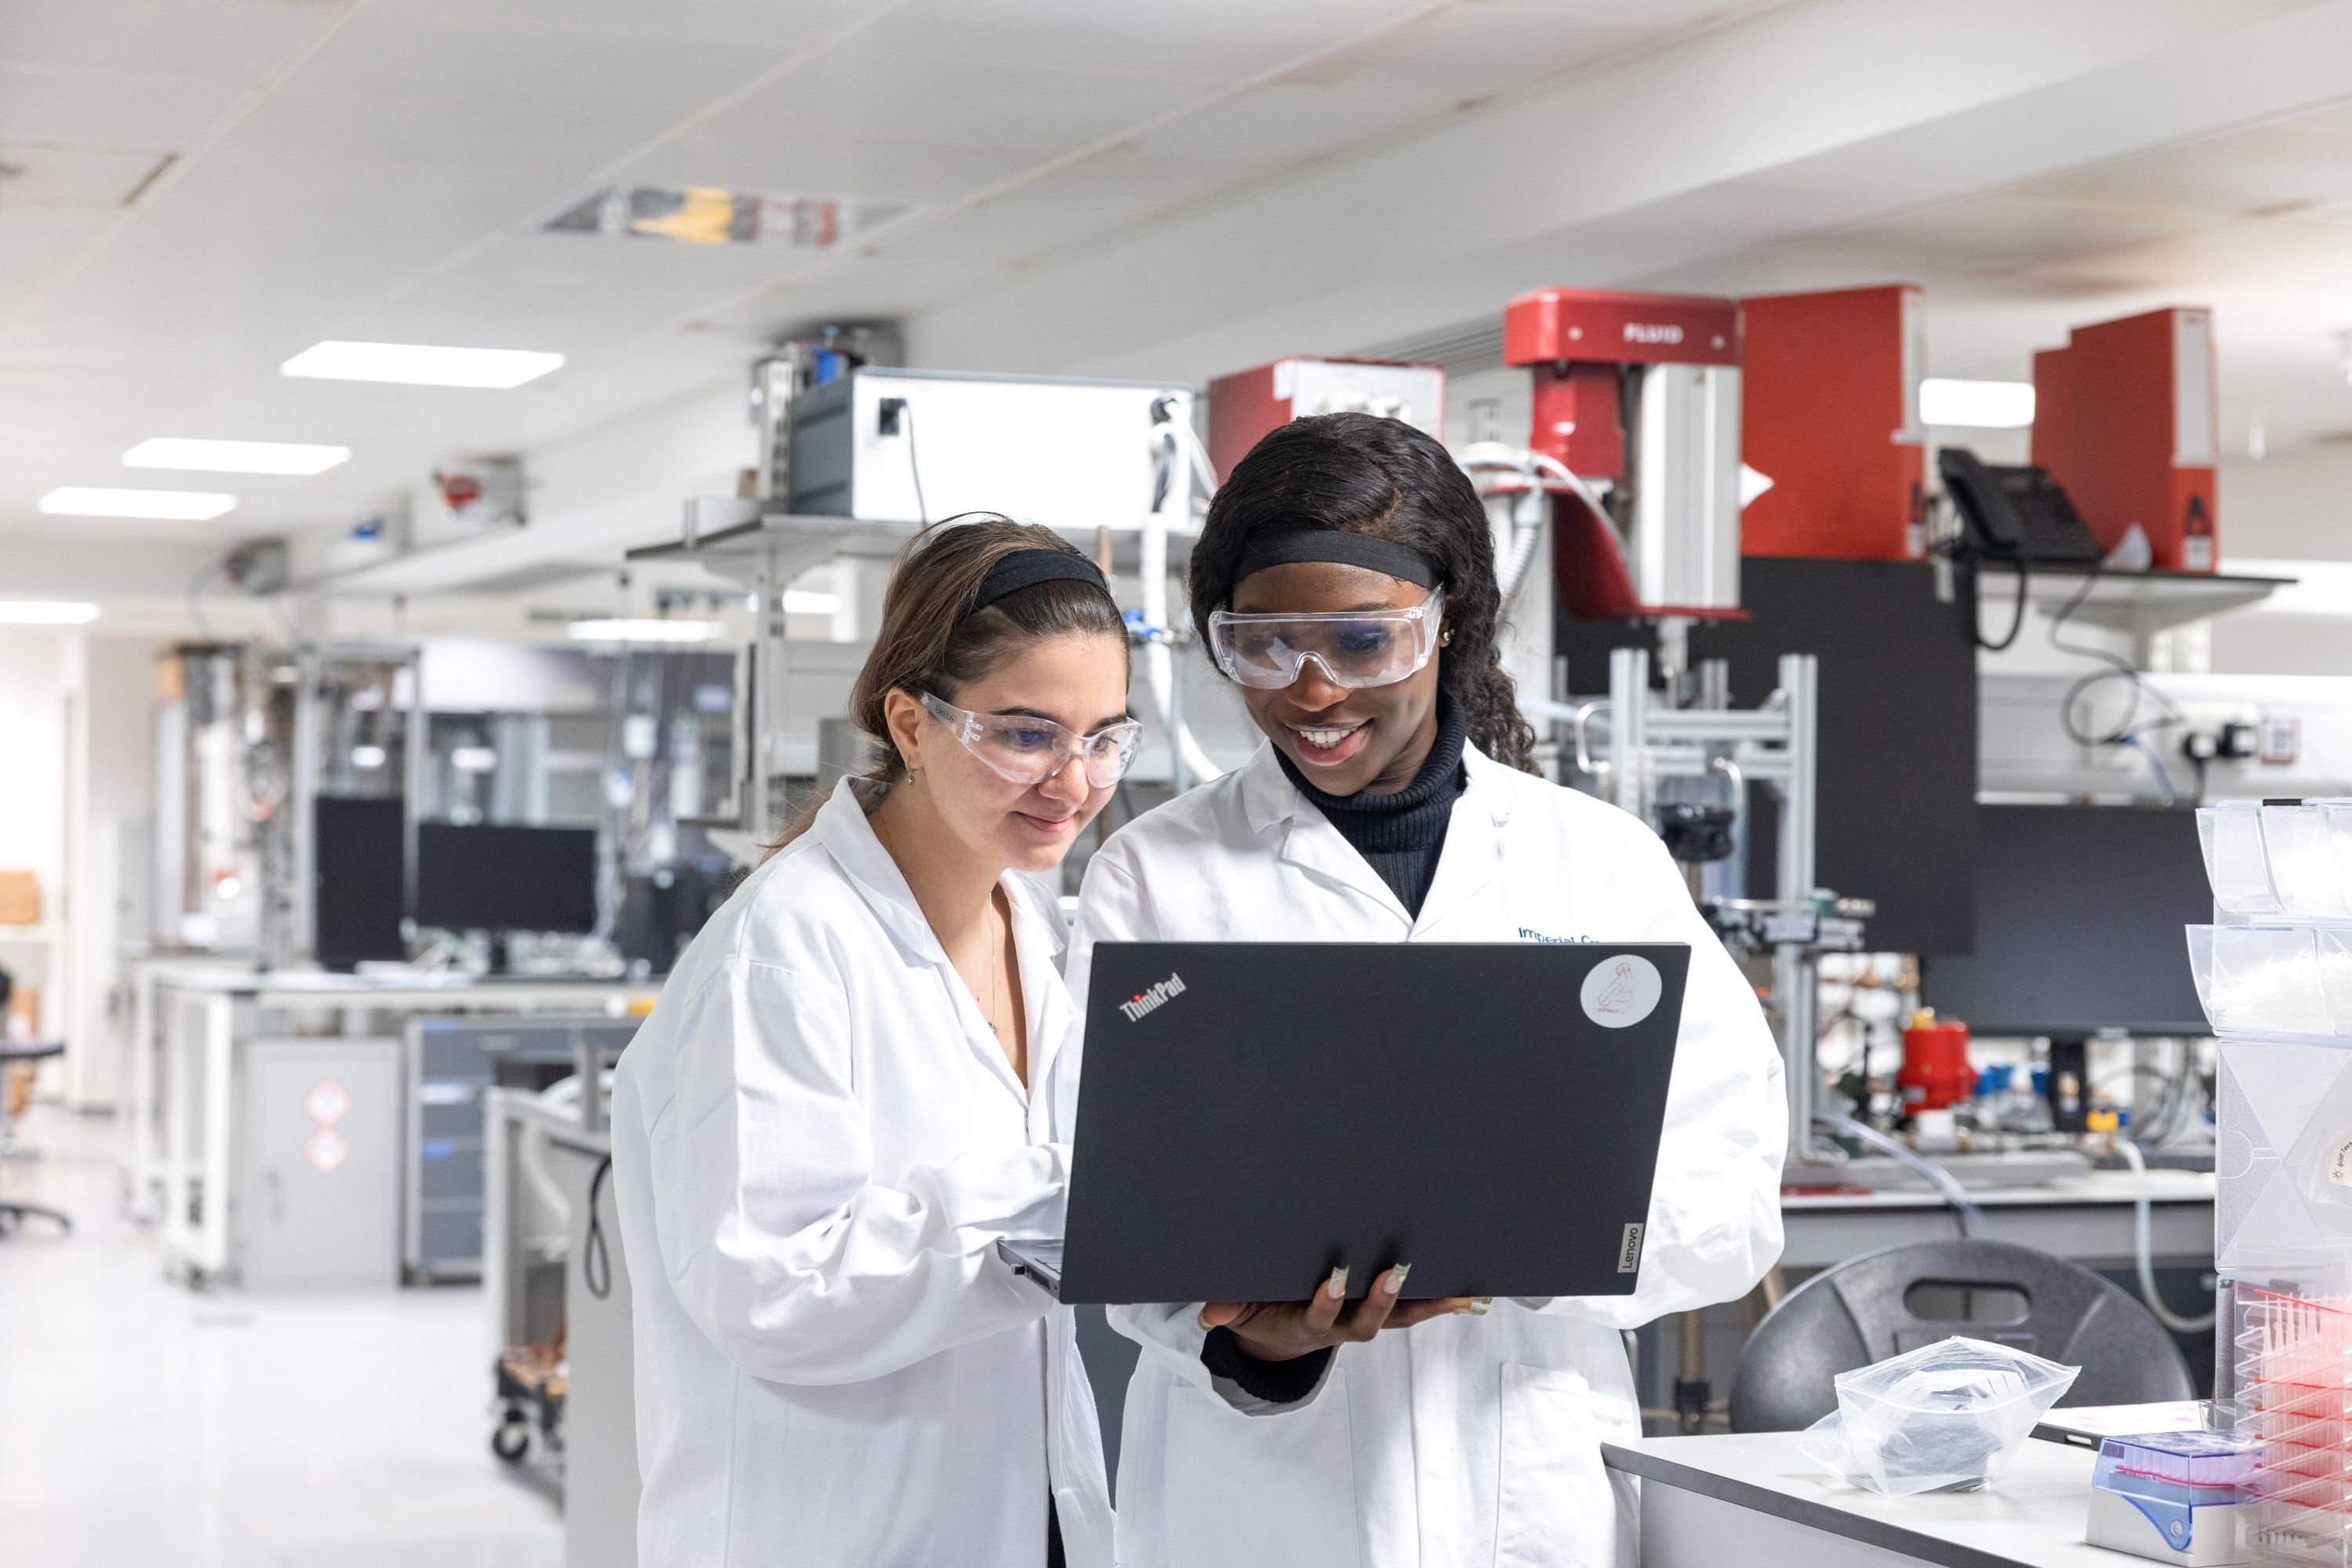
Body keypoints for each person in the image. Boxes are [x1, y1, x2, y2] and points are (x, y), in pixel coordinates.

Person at [1067, 413, 1789, 1568]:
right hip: (1260, 1506)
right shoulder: (1154, 875)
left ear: (1446, 622)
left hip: (1523, 1482)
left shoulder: (1594, 862)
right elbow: (1109, 1206)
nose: (1310, 691)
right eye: (1263, 644)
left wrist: (1533, 1244)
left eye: (1362, 642)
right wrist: (1269, 1342)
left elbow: (1736, 1193)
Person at [610, 517, 1140, 1568]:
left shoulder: (1040, 929)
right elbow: (769, 1287)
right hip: (821, 1528)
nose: (1073, 783)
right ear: (911, 722)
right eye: (1027, 734)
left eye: (1105, 738)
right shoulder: (784, 949)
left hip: (1016, 1518)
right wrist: (1062, 1208)